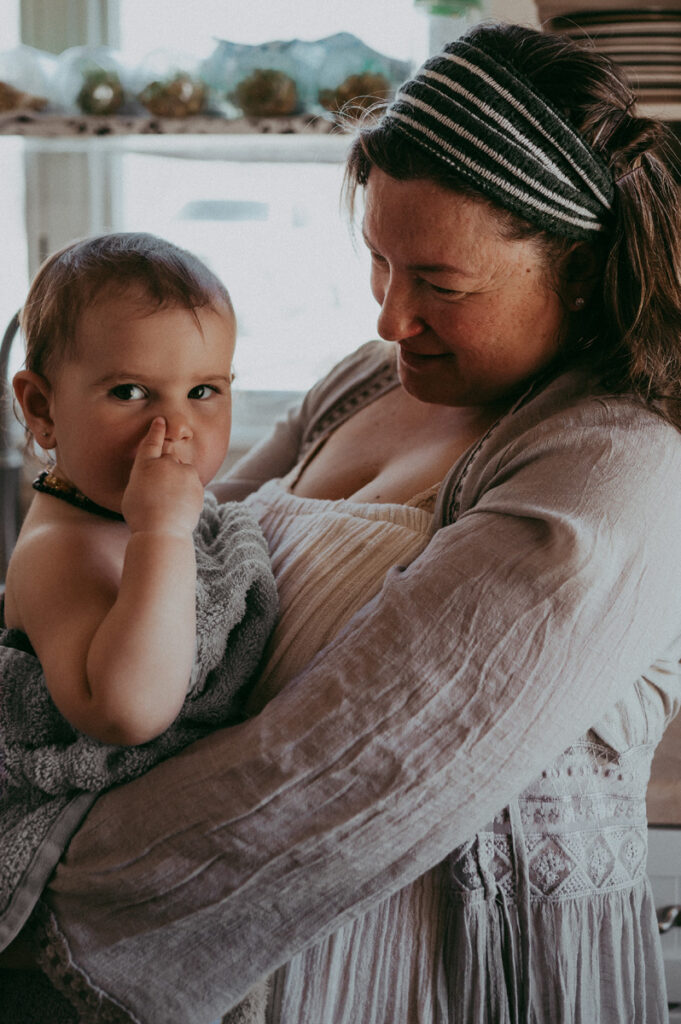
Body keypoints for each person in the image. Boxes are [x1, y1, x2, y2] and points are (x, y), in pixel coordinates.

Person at [3, 20, 681, 1024]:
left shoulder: (615, 469)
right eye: (380, 262)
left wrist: (37, 881)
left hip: (418, 983)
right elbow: (180, 541)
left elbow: (340, 777)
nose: (389, 318)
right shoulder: (369, 382)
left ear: (579, 269)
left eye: (438, 285)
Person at [0, 233, 277, 1023]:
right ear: (41, 408)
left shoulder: (149, 507)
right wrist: (159, 535)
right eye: (130, 393)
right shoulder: (61, 551)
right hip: (62, 967)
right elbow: (129, 711)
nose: (176, 427)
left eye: (204, 391)